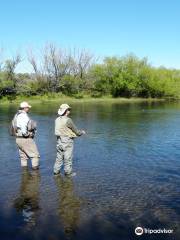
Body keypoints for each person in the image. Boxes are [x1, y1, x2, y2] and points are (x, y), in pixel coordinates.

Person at [53, 104, 86, 176]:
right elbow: (76, 131)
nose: (69, 111)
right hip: (67, 142)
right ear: (66, 111)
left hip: (59, 141)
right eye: (69, 110)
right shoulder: (68, 120)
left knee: (59, 158)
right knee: (68, 158)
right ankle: (68, 173)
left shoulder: (57, 119)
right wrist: (82, 132)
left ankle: (56, 172)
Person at [13, 101, 40, 170]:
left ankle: (24, 174)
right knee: (35, 155)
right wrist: (27, 134)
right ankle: (35, 175)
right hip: (25, 139)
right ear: (25, 108)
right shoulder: (24, 116)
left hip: (18, 139)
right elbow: (23, 128)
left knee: (23, 157)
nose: (29, 109)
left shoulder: (17, 115)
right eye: (28, 108)